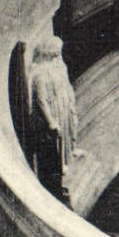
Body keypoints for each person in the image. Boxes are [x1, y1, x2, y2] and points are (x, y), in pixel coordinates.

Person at [28, 36, 82, 186]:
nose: (58, 55)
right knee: (59, 136)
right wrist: (51, 121)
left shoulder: (57, 65)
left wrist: (70, 97)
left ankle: (70, 152)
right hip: (55, 107)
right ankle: (62, 162)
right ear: (48, 53)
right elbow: (41, 100)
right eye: (56, 53)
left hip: (64, 103)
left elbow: (65, 82)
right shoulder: (40, 74)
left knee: (68, 129)